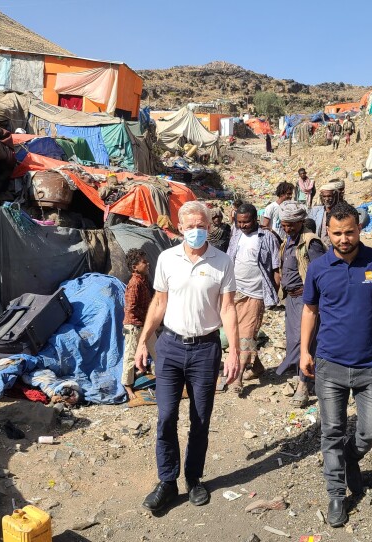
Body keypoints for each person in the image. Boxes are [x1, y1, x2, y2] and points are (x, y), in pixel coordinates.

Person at [299, 201, 372, 527]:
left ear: (359, 229)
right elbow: (309, 311)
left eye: (349, 232)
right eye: (337, 233)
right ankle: (336, 495)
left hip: (371, 363)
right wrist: (305, 351)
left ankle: (350, 459)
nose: (343, 239)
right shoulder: (318, 268)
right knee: (331, 432)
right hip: (330, 364)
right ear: (328, 232)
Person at [135, 201, 239, 512]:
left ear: (210, 227)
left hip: (205, 349)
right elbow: (158, 304)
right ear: (180, 227)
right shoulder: (167, 259)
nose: (196, 231)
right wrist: (143, 342)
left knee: (200, 418)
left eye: (201, 225)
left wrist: (233, 351)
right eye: (190, 226)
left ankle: (193, 479)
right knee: (166, 416)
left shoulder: (222, 262)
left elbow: (228, 308)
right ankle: (167, 481)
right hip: (169, 347)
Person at [226, 203, 281, 394]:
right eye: (239, 222)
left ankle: (239, 377)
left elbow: (275, 268)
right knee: (237, 333)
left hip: (256, 293)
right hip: (235, 291)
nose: (243, 225)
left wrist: (273, 294)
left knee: (247, 336)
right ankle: (257, 367)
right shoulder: (236, 234)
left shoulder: (267, 237)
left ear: (255, 219)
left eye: (247, 222)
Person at [276, 201, 326, 407]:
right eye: (284, 224)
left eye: (291, 224)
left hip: (306, 299)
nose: (287, 228)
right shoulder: (288, 241)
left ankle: (304, 386)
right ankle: (304, 376)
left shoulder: (310, 242)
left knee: (302, 341)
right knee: (294, 341)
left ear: (301, 221)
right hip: (291, 300)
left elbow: (320, 273)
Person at [122, 249, 156, 399]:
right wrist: (143, 319)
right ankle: (128, 387)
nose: (147, 264)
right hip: (134, 325)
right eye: (143, 262)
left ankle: (165, 377)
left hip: (145, 323)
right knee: (130, 356)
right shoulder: (134, 283)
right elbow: (130, 308)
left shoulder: (144, 280)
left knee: (157, 350)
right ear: (135, 267)